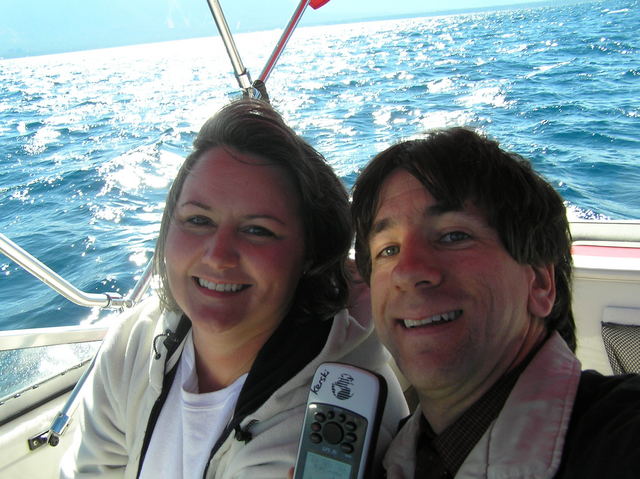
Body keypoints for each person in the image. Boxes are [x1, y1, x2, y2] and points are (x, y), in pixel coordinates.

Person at [60, 99, 408, 478]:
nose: (219, 255)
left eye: (257, 229)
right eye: (198, 219)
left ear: (310, 253)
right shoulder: (134, 343)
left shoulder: (338, 418)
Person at [350, 127, 640, 478]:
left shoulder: (622, 439)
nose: (408, 271)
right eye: (389, 250)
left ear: (540, 283)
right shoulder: (387, 459)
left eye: (454, 235)